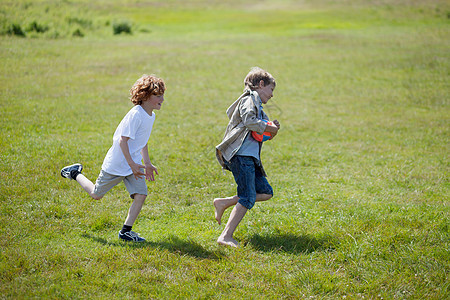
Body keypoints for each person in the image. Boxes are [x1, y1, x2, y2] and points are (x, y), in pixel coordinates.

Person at [60, 74, 165, 242]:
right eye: (157, 95)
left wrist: (147, 163)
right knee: (96, 194)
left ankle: (126, 231)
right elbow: (122, 141)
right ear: (145, 97)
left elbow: (142, 141)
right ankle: (74, 173)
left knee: (141, 194)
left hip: (133, 164)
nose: (162, 99)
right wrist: (131, 164)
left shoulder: (150, 115)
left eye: (162, 95)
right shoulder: (136, 115)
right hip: (118, 164)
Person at [214, 67, 280, 247]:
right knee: (247, 197)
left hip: (250, 158)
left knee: (265, 192)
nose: (272, 95)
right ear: (260, 84)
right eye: (271, 89)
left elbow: (262, 132)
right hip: (241, 156)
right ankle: (225, 236)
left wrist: (272, 129)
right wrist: (268, 127)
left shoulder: (258, 105)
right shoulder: (249, 100)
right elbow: (250, 122)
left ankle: (224, 202)